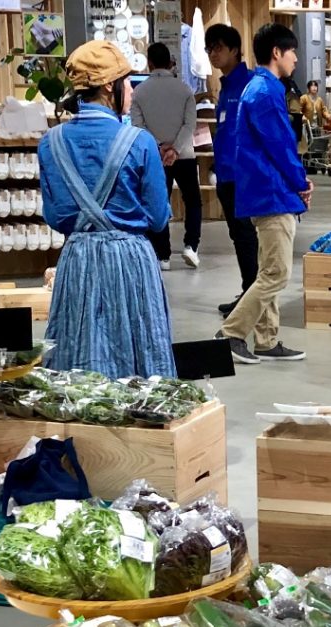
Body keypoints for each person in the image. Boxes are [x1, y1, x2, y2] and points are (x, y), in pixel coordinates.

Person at [39, 41, 174, 378]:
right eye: (127, 81)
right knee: (140, 357)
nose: (130, 90)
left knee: (75, 353)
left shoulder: (50, 143)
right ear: (108, 86)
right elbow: (158, 219)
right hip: (131, 261)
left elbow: (56, 217)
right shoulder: (140, 141)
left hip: (77, 259)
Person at [217, 23, 312, 365]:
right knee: (277, 273)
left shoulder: (257, 88)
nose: (297, 59)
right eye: (293, 52)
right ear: (277, 52)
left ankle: (268, 339)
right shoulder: (265, 91)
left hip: (266, 190)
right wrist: (300, 182)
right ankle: (231, 333)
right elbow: (281, 146)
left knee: (267, 269)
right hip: (272, 192)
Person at [131, 42, 201, 270]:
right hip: (186, 155)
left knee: (158, 201)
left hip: (155, 157)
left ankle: (163, 255)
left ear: (149, 62)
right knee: (192, 201)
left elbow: (138, 126)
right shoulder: (184, 90)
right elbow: (190, 124)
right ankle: (191, 245)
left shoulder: (139, 92)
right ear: (170, 62)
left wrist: (161, 146)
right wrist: (176, 148)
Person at [205, 23, 258, 318]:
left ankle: (253, 297)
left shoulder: (250, 84)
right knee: (238, 236)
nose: (213, 54)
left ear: (235, 50)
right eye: (209, 49)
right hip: (226, 175)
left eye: (218, 48)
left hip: (245, 178)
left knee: (248, 237)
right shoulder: (225, 87)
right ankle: (247, 291)